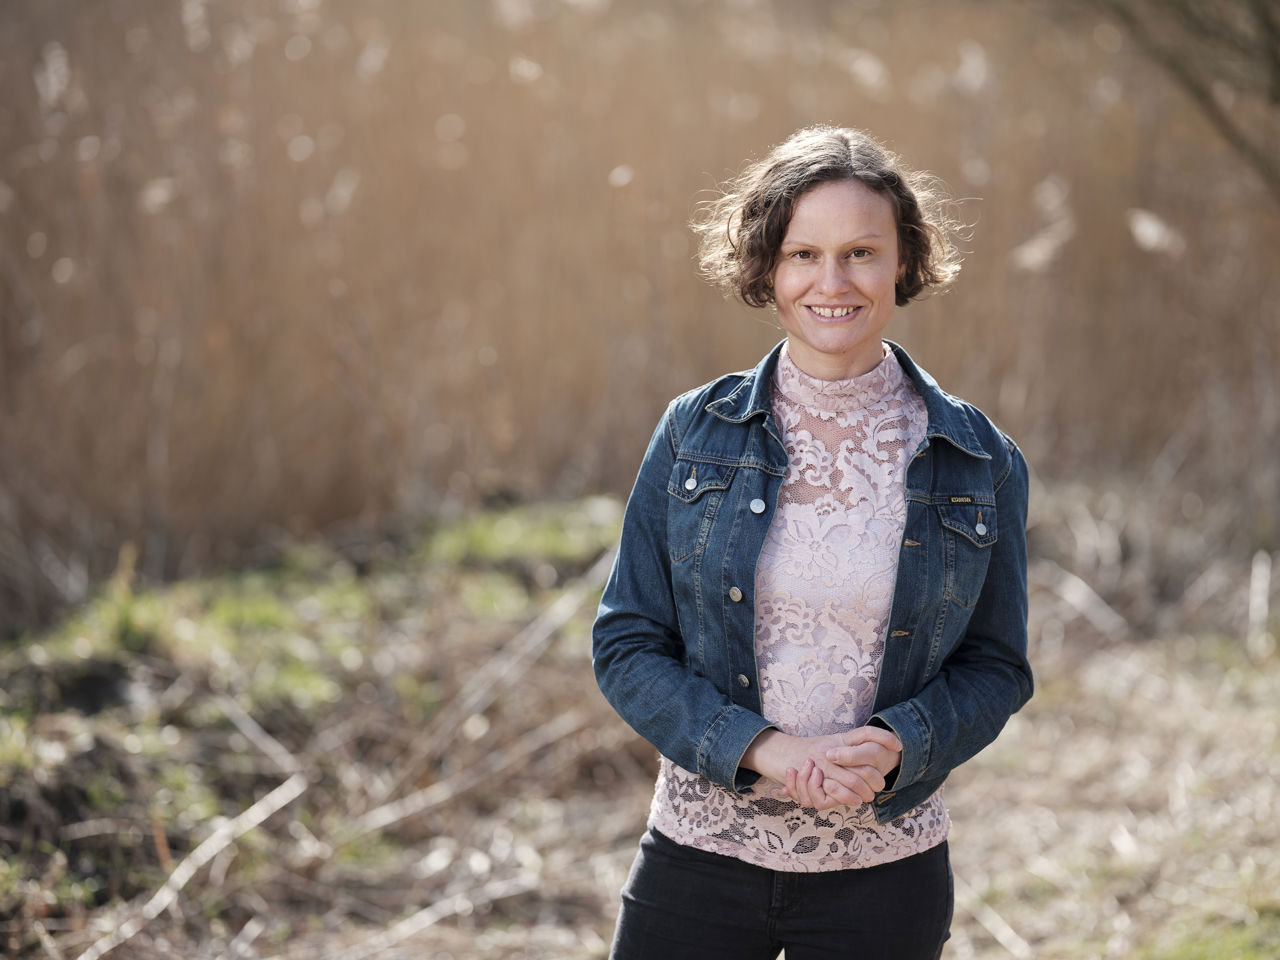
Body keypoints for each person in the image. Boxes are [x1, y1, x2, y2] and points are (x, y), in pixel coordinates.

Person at [592, 125, 1033, 960]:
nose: (832, 283)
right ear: (768, 267)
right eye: (804, 255)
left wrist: (903, 743)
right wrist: (766, 751)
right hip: (699, 860)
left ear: (904, 261)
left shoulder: (980, 459)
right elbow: (627, 644)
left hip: (885, 876)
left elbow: (997, 667)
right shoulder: (692, 434)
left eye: (861, 252)